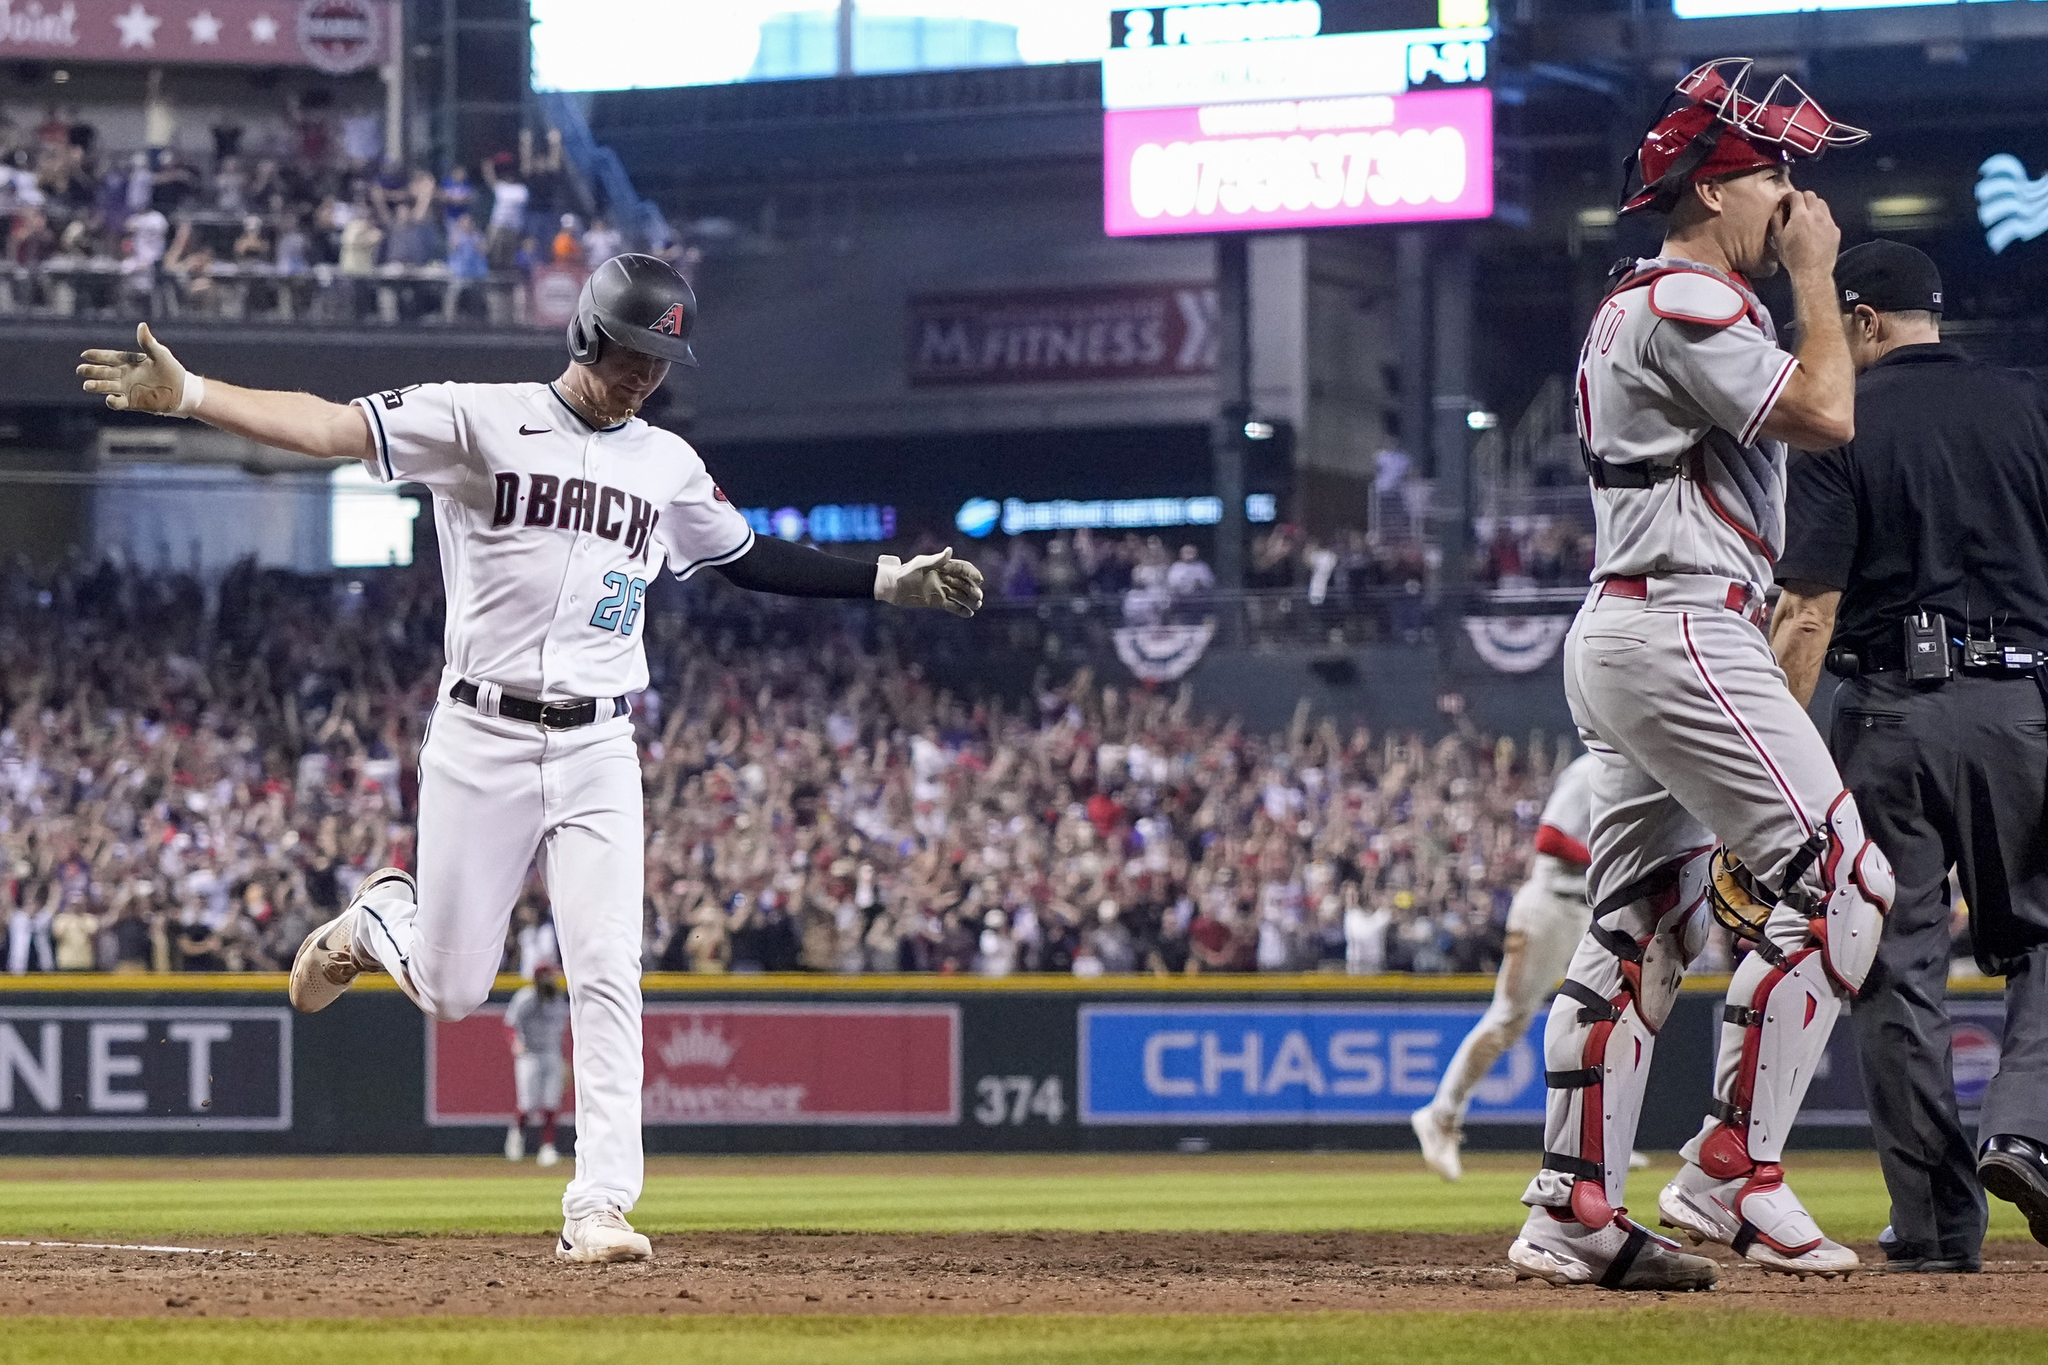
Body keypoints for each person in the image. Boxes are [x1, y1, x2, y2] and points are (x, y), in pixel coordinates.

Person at [76, 252, 984, 1264]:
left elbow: (744, 555)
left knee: (608, 967)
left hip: (600, 738)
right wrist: (193, 393)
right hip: (481, 735)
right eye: (637, 350)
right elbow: (332, 428)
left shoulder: (665, 462)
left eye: (663, 356)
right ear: (589, 334)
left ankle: (598, 1206)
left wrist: (884, 579)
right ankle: (381, 917)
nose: (649, 372)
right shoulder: (477, 417)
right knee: (459, 992)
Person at [1506, 59, 1884, 1292]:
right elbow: (1825, 414)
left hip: (1644, 624)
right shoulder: (1689, 300)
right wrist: (1821, 281)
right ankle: (1731, 1170)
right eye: (1775, 174)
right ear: (1717, 188)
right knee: (1842, 879)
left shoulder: (1650, 301)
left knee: (1632, 928)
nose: (1792, 200)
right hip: (1679, 627)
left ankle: (1571, 1208)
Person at [1773, 239, 2048, 1269]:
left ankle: (1935, 1227)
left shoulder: (1839, 424)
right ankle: (2023, 1130)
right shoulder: (2027, 404)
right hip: (2019, 706)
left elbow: (1805, 610)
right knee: (2043, 935)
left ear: (1860, 321)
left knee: (1897, 973)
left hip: (1884, 716)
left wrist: (1767, 764)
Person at [1413, 754, 1650, 1180]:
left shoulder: (1636, 773)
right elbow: (1548, 838)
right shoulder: (1591, 769)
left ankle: (1593, 1140)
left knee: (1604, 1021)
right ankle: (1440, 1116)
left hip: (1590, 912)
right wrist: (1605, 859)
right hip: (1549, 908)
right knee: (1508, 1020)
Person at [504, 962, 572, 1166]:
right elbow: (510, 1023)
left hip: (551, 1053)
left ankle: (547, 1147)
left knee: (551, 1102)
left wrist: (564, 1059)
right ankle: (516, 1137)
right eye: (548, 976)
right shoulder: (525, 997)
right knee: (527, 1103)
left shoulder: (558, 1000)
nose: (551, 980)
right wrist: (515, 1042)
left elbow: (562, 1031)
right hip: (529, 1054)